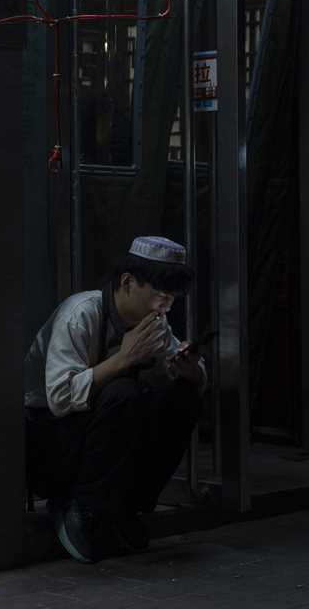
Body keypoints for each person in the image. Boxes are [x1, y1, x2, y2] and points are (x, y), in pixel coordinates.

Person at [23, 236, 206, 564]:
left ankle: (125, 507)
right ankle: (84, 508)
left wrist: (189, 370)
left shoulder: (155, 324)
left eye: (172, 297)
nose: (166, 304)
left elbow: (176, 368)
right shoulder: (80, 313)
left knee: (183, 396)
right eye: (160, 294)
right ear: (128, 282)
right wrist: (123, 359)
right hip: (48, 439)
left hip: (102, 442)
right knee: (123, 392)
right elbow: (59, 398)